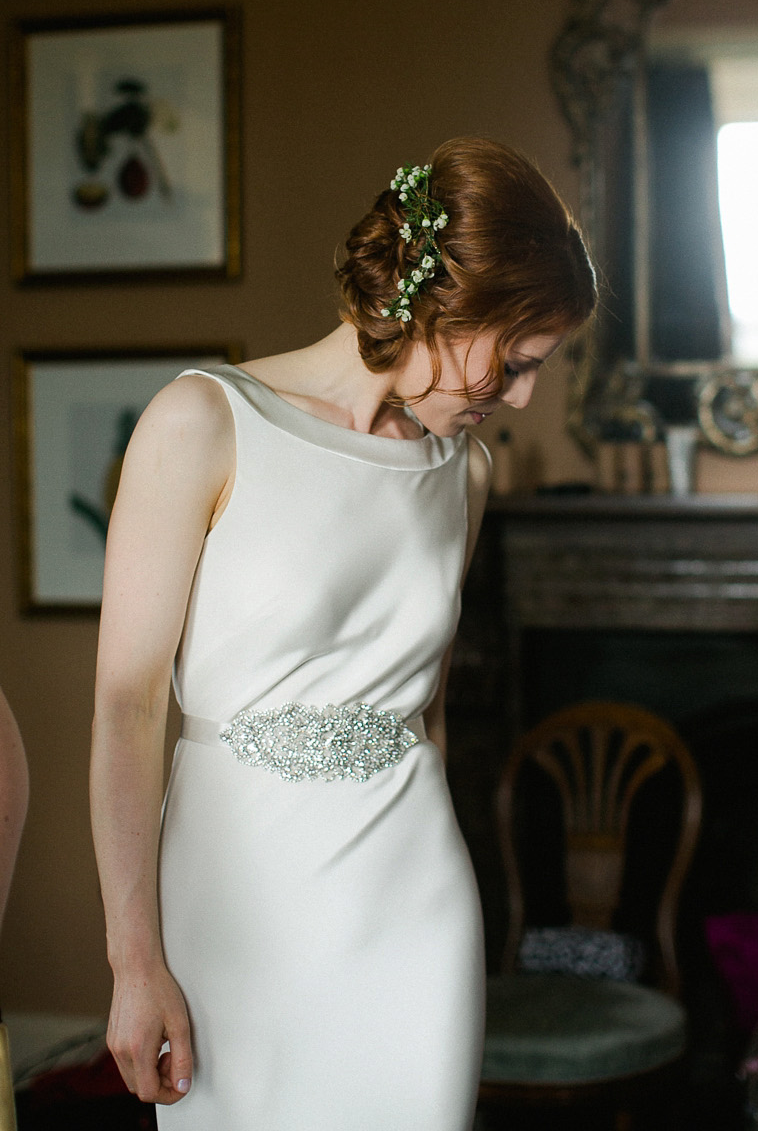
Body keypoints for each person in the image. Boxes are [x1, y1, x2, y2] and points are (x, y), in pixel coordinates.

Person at [90, 136, 596, 1129]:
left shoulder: (467, 474)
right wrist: (133, 958)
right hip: (233, 908)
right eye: (519, 358)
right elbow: (125, 706)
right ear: (448, 306)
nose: (524, 396)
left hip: (412, 915)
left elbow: (430, 717)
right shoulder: (202, 422)